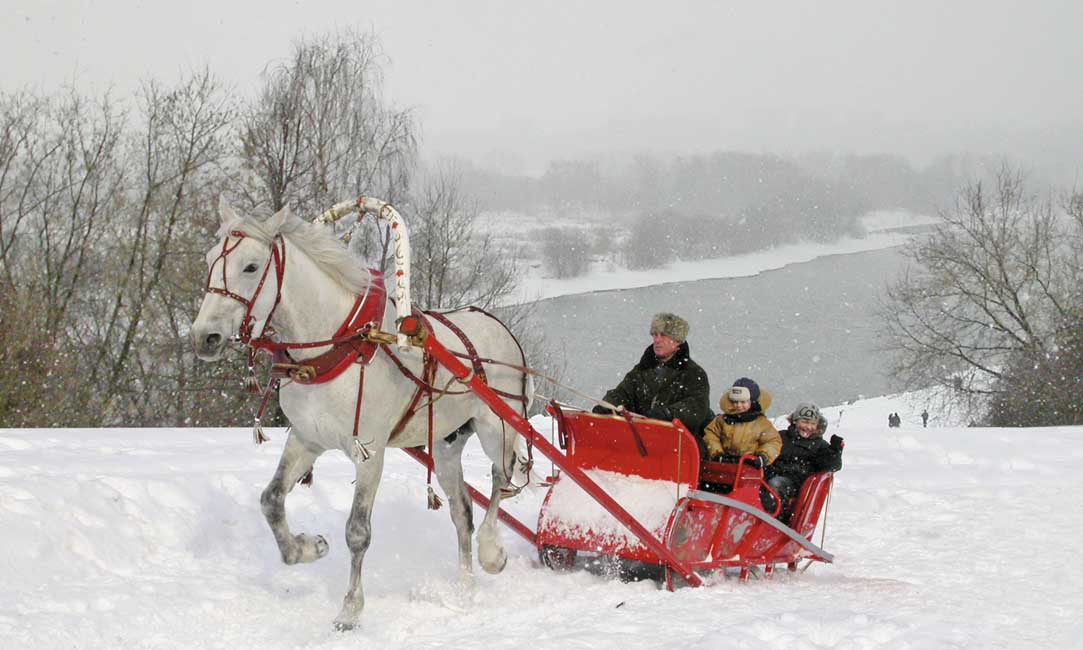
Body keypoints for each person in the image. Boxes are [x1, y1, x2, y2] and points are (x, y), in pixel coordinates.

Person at [592, 312, 713, 443]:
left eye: (663, 335)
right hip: (642, 436)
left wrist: (669, 413)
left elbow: (697, 407)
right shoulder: (642, 369)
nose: (657, 340)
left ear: (677, 340)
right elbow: (622, 392)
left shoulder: (694, 373)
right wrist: (607, 405)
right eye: (655, 335)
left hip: (678, 440)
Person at [763, 402, 844, 523]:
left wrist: (835, 451)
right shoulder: (781, 437)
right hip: (771, 474)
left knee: (776, 484)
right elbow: (767, 452)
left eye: (812, 424)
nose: (808, 427)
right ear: (795, 421)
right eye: (804, 422)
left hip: (797, 483)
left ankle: (775, 521)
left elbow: (833, 466)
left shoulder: (819, 445)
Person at [702, 377, 781, 467]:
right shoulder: (722, 420)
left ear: (752, 401)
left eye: (743, 402)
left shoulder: (761, 423)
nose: (738, 405)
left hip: (750, 466)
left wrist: (763, 457)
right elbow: (710, 435)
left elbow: (773, 441)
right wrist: (717, 453)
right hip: (724, 464)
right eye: (735, 402)